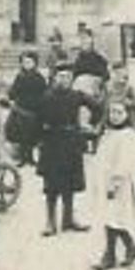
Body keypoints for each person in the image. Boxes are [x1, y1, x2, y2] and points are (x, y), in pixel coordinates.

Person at [35, 61, 90, 236]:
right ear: (55, 78)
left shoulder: (77, 95)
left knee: (70, 183)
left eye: (68, 76)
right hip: (52, 144)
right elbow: (36, 122)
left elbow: (98, 106)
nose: (64, 79)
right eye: (61, 76)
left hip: (72, 142)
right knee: (51, 185)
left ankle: (68, 220)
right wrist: (40, 141)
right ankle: (50, 222)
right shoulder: (46, 97)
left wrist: (92, 126)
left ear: (72, 79)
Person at [90, 97, 135, 270]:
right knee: (109, 217)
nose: (114, 116)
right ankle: (130, 247)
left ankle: (111, 254)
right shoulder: (108, 132)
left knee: (114, 218)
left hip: (120, 184)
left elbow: (124, 162)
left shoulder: (127, 135)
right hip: (104, 180)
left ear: (127, 114)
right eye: (112, 112)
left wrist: (115, 182)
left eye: (119, 112)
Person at [4, 50, 48, 166]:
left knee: (32, 134)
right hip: (21, 109)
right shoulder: (19, 77)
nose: (26, 64)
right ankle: (23, 157)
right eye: (24, 62)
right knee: (21, 135)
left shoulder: (39, 78)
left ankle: (30, 157)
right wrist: (11, 95)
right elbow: (13, 92)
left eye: (29, 62)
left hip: (34, 110)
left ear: (35, 63)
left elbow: (44, 93)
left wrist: (42, 106)